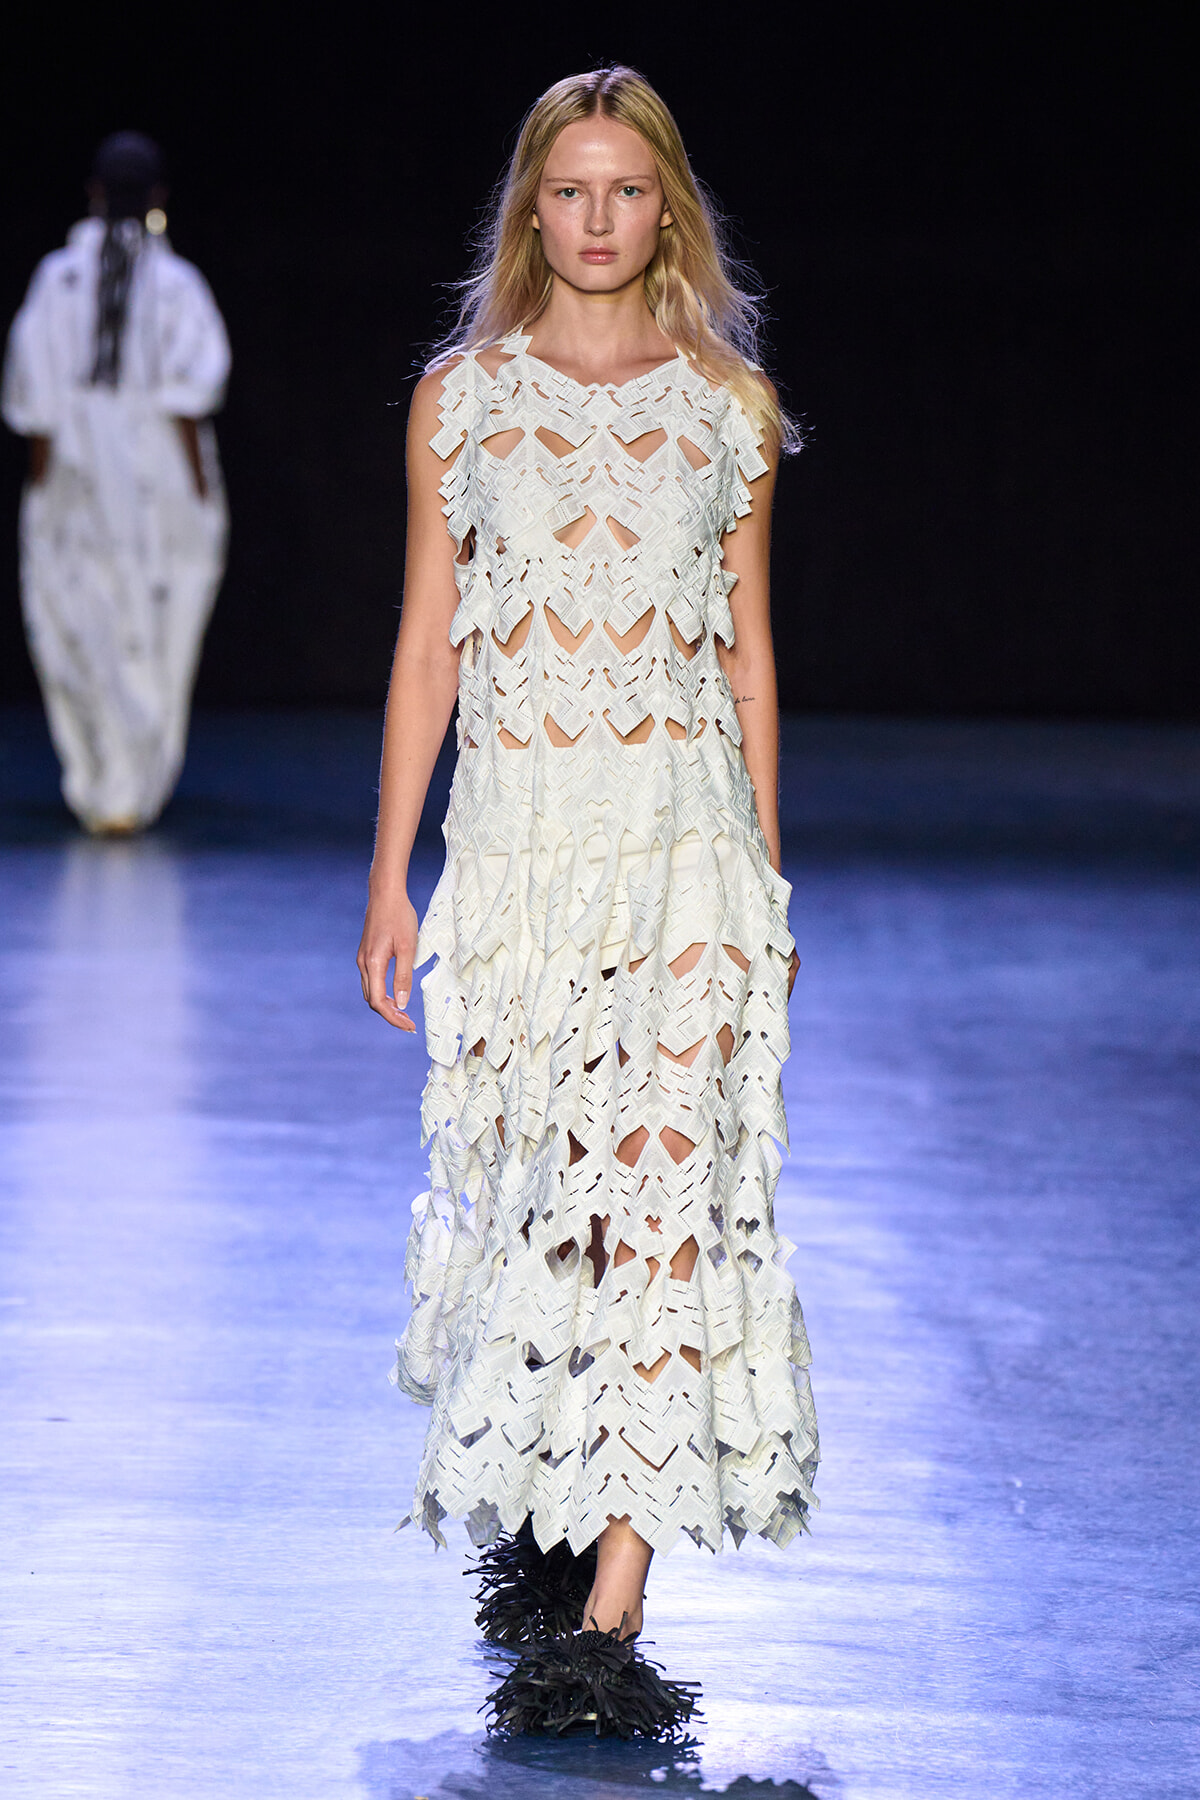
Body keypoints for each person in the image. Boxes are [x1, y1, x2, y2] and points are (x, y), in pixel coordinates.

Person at [357, 66, 818, 1737]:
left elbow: (750, 662)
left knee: (665, 1211)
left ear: (668, 207)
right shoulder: (462, 404)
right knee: (555, 1208)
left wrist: (760, 889)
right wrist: (390, 875)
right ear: (532, 209)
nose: (603, 219)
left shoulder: (726, 408)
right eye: (574, 191)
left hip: (684, 857)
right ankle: (557, 1542)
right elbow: (427, 648)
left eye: (630, 191)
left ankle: (609, 1621)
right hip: (525, 870)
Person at [2, 131, 230, 835]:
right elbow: (196, 391)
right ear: (158, 199)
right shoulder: (171, 283)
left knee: (80, 621)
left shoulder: (58, 279)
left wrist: (43, 492)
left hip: (80, 477)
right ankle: (125, 784)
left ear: (94, 194)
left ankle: (109, 781)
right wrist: (197, 492)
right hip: (153, 481)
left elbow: (32, 397)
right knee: (152, 628)